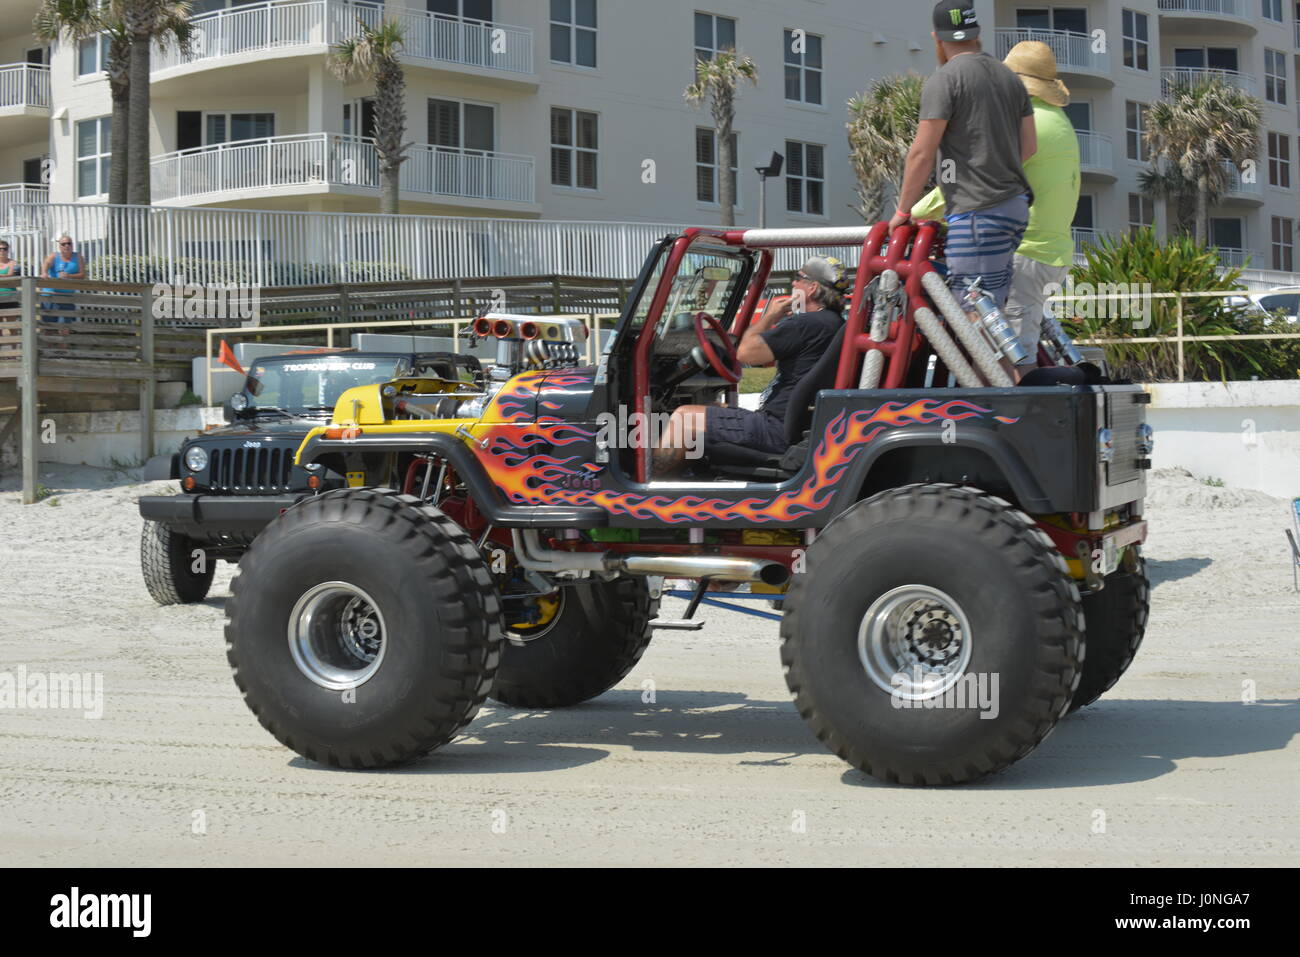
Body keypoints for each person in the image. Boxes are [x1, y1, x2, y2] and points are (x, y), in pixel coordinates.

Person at [912, 40, 1080, 380]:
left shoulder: (1029, 123)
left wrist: (916, 211)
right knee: (1005, 349)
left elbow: (982, 176)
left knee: (1003, 358)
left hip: (1022, 249)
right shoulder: (1059, 120)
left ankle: (1015, 425)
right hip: (1049, 251)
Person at [889, 2, 1036, 314]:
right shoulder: (1009, 77)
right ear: (977, 33)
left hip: (978, 213)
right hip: (1015, 207)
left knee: (974, 321)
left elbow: (921, 153)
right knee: (992, 317)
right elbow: (1029, 146)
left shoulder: (945, 79)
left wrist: (903, 211)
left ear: (936, 38)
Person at [652, 256, 849, 475]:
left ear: (812, 288)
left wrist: (770, 316)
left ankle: (652, 488)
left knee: (682, 417)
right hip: (794, 424)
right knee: (715, 408)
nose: (793, 284)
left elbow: (745, 353)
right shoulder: (834, 324)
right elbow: (770, 357)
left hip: (776, 429)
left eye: (798, 278)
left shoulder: (805, 324)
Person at [41, 234, 86, 324]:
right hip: (50, 295)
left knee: (65, 327)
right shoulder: (54, 256)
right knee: (49, 327)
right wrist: (44, 273)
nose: (67, 246)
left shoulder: (78, 257)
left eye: (69, 243)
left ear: (72, 245)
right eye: (63, 244)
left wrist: (69, 276)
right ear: (59, 246)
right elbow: (46, 263)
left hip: (67, 296)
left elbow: (82, 275)